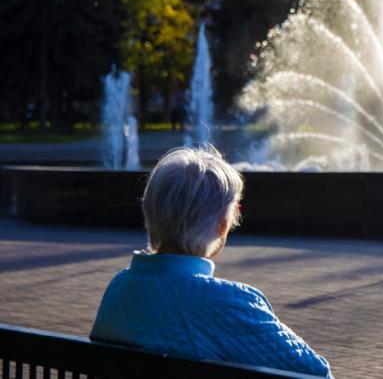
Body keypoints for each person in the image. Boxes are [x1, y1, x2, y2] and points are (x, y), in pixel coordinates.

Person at [90, 146, 332, 378]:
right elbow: (316, 373)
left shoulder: (118, 288)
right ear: (222, 224)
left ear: (152, 212)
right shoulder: (230, 303)